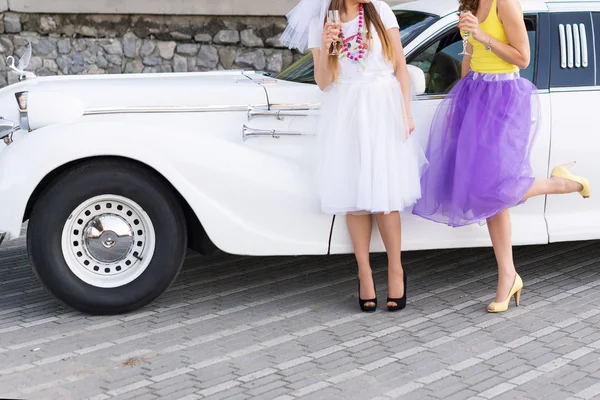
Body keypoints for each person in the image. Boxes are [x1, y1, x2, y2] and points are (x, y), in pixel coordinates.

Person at [413, 0, 591, 313]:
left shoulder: (505, 3)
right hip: (473, 95)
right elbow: (469, 55)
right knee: (487, 192)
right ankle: (508, 275)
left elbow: (522, 57)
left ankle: (564, 184)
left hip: (503, 99)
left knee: (495, 188)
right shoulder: (469, 4)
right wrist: (459, 104)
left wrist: (482, 35)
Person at [281, 0, 427, 312]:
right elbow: (324, 82)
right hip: (346, 111)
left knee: (386, 195)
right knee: (354, 197)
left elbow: (400, 65)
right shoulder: (323, 21)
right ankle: (364, 273)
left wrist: (406, 111)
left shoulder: (380, 11)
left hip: (383, 109)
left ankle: (396, 270)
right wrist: (326, 45)